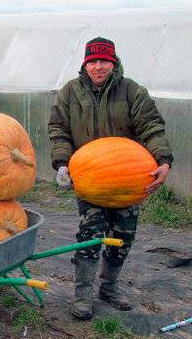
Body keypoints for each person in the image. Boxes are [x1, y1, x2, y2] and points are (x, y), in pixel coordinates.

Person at [48, 37, 173, 320]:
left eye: (104, 61)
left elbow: (152, 127)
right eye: (93, 61)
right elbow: (58, 130)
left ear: (113, 63)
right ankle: (82, 294)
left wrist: (163, 160)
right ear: (85, 64)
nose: (98, 66)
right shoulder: (70, 93)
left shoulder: (132, 92)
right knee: (89, 236)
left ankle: (109, 286)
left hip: (127, 180)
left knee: (123, 236)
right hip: (90, 180)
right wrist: (62, 163)